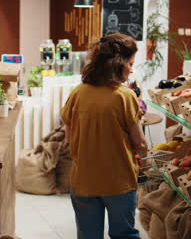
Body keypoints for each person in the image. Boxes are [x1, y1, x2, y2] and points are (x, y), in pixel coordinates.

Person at [61, 33, 148, 239]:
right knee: (124, 234)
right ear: (118, 64)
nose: (132, 69)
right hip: (118, 181)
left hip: (83, 180)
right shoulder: (125, 96)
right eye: (130, 63)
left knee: (88, 236)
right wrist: (145, 163)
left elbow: (69, 139)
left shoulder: (77, 93)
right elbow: (140, 143)